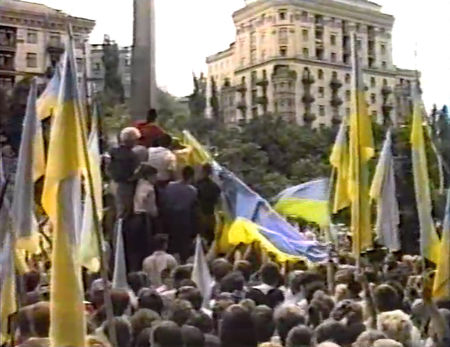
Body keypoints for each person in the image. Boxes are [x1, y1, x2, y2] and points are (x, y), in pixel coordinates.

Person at [160, 166, 199, 262]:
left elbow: (164, 201)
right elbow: (193, 209)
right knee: (183, 248)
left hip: (169, 220)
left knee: (171, 246)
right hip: (184, 222)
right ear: (191, 177)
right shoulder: (192, 191)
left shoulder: (170, 186)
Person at [127, 164, 159, 272]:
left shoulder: (139, 184)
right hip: (144, 218)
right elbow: (145, 200)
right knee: (144, 248)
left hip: (135, 217)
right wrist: (154, 212)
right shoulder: (149, 188)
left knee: (135, 249)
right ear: (149, 176)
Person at [107, 127, 141, 219]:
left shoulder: (113, 151)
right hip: (125, 185)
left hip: (112, 183)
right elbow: (134, 172)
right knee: (124, 212)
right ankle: (120, 231)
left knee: (114, 209)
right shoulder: (132, 155)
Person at [195, 163, 221, 244]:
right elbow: (217, 201)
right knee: (210, 238)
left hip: (200, 215)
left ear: (202, 172)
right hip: (211, 215)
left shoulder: (197, 185)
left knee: (200, 239)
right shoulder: (215, 187)